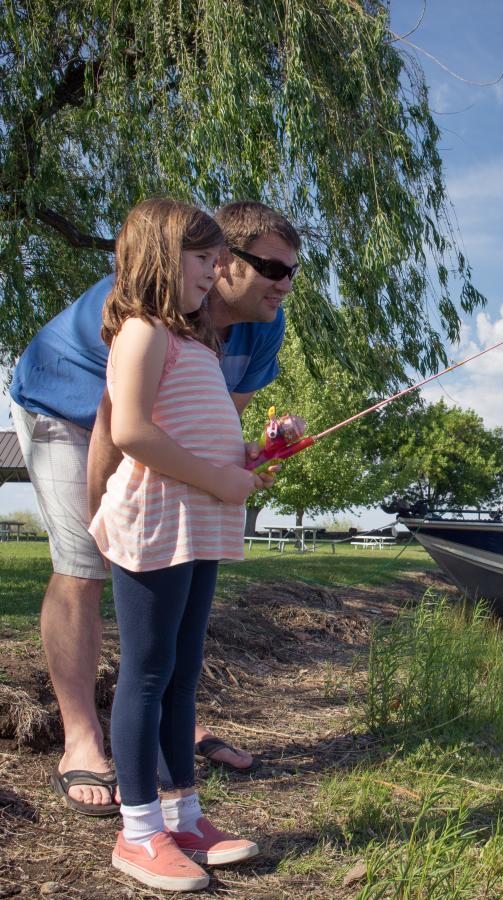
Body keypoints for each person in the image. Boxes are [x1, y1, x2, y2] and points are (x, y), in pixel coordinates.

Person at [10, 200, 301, 814]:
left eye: (293, 271)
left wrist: (248, 460)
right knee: (83, 563)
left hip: (152, 435)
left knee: (171, 637)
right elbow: (113, 430)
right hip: (67, 407)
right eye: (272, 268)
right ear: (222, 262)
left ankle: (171, 721)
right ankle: (83, 737)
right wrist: (105, 523)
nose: (285, 284)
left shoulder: (260, 325)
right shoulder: (140, 313)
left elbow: (213, 429)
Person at [89, 198, 267, 890]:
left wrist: (243, 456)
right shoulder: (141, 332)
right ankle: (138, 834)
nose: (217, 269)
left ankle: (185, 816)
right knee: (148, 672)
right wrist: (219, 479)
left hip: (194, 520)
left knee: (184, 670)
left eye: (218, 256)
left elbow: (188, 428)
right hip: (157, 518)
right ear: (163, 257)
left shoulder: (194, 341)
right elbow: (131, 431)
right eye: (204, 258)